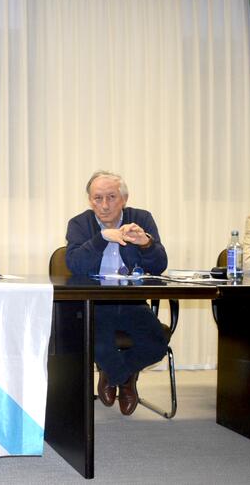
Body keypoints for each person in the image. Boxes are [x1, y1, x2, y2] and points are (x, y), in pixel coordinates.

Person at [64, 170, 168, 416]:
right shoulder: (79, 224)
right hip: (95, 304)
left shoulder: (141, 218)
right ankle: (125, 378)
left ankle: (115, 375)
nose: (104, 205)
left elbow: (159, 265)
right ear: (90, 200)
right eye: (97, 198)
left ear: (124, 199)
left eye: (111, 197)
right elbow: (75, 265)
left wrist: (146, 243)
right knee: (94, 344)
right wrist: (101, 239)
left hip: (131, 302)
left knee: (157, 344)